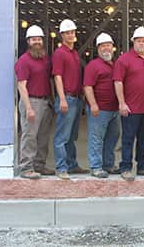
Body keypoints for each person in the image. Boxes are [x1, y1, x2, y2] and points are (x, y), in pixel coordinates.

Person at [113, 26, 144, 181]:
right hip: (130, 108)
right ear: (133, 42)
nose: (141, 44)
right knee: (128, 138)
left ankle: (143, 166)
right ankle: (125, 167)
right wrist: (121, 103)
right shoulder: (124, 59)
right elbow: (118, 82)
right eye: (138, 41)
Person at [15, 25, 55, 179]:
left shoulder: (44, 58)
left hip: (45, 101)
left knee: (43, 136)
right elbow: (21, 85)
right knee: (30, 135)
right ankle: (26, 168)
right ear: (28, 41)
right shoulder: (24, 61)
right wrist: (29, 108)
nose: (37, 42)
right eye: (34, 39)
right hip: (31, 101)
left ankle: (39, 165)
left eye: (39, 39)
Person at [52, 19, 89, 180]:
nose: (71, 35)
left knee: (72, 136)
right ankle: (61, 167)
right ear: (62, 35)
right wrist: (62, 99)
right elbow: (57, 77)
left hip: (76, 98)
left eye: (72, 32)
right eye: (67, 33)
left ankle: (72, 165)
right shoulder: (59, 53)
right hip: (66, 98)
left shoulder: (74, 53)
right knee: (62, 136)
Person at [83, 33, 120, 178]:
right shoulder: (93, 66)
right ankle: (96, 166)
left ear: (113, 47)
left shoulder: (115, 64)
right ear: (98, 48)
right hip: (99, 109)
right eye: (103, 46)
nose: (106, 48)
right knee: (96, 139)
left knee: (112, 138)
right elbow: (87, 86)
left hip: (114, 109)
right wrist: (93, 105)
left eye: (108, 45)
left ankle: (108, 164)